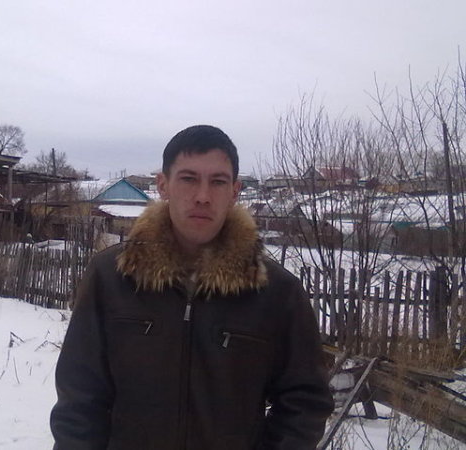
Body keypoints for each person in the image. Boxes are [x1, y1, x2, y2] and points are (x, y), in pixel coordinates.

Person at [50, 125, 334, 449]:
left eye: (218, 182)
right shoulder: (112, 277)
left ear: (235, 191)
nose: (202, 196)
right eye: (188, 179)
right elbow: (79, 398)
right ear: (163, 185)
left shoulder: (276, 292)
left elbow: (305, 403)